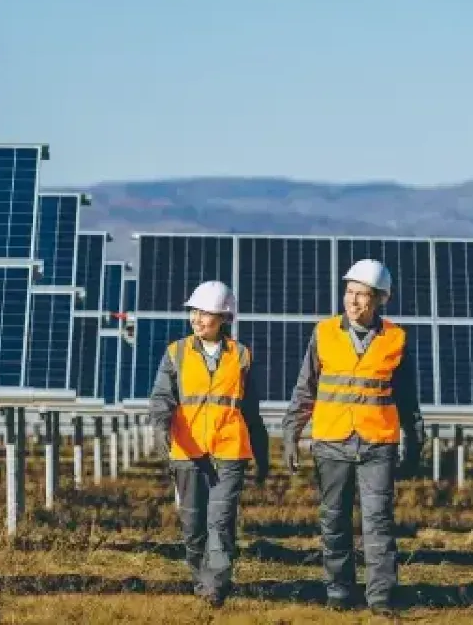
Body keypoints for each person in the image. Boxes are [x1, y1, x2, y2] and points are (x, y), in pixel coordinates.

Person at [281, 259, 425, 616]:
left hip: (378, 442)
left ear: (380, 300)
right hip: (331, 440)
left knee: (378, 521)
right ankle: (339, 593)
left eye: (362, 295)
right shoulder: (323, 333)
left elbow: (408, 398)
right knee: (334, 520)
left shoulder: (396, 338)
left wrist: (415, 442)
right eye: (349, 292)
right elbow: (305, 389)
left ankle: (380, 598)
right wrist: (290, 434)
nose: (354, 301)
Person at [149, 280, 270, 608]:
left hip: (230, 450)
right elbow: (162, 397)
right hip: (188, 450)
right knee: (192, 523)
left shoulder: (242, 356)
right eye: (195, 312)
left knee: (220, 518)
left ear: (224, 317)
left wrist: (263, 454)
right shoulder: (176, 353)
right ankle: (202, 579)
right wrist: (161, 427)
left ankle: (215, 587)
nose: (198, 319)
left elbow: (252, 410)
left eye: (206, 314)